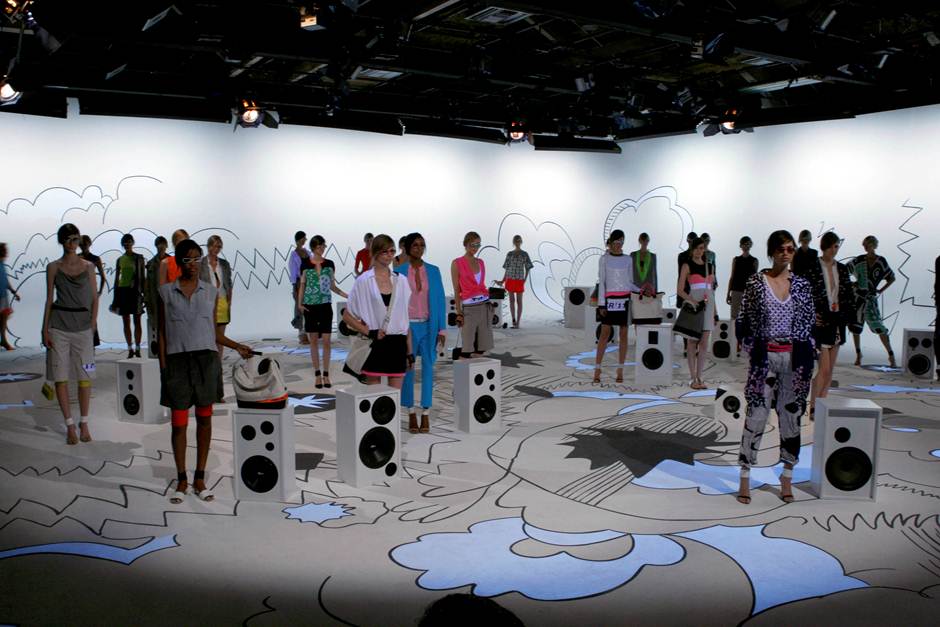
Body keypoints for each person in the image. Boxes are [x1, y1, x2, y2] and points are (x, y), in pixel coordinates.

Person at [158, 238, 253, 503]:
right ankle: (181, 479)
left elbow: (214, 332)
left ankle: (199, 477)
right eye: (187, 259)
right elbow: (162, 332)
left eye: (196, 259)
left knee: (204, 421)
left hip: (206, 361)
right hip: (177, 363)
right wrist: (164, 367)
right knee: (178, 424)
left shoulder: (210, 292)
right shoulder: (166, 292)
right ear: (179, 262)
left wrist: (236, 346)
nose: (192, 264)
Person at [736, 230, 815, 505]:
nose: (786, 253)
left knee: (791, 418)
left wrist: (809, 353)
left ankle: (787, 476)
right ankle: (745, 474)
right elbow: (744, 319)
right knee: (756, 416)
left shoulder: (802, 285)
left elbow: (808, 323)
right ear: (771, 252)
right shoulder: (756, 283)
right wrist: (752, 347)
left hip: (795, 360)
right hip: (764, 358)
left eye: (790, 249)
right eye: (781, 249)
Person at [41, 224, 99, 445]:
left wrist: (92, 326)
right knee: (60, 376)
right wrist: (44, 329)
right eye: (68, 239)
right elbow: (49, 299)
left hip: (83, 328)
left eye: (75, 238)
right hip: (59, 328)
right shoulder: (53, 267)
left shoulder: (89, 266)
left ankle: (84, 422)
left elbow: (94, 298)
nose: (72, 243)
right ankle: (70, 425)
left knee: (86, 375)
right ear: (61, 241)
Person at [343, 234, 412, 388]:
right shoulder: (363, 281)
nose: (389, 255)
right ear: (375, 253)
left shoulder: (402, 280)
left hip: (398, 344)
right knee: (375, 397)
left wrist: (410, 352)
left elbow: (405, 318)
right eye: (384, 251)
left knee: (395, 397)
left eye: (392, 251)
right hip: (375, 343)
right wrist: (368, 332)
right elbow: (347, 316)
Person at [396, 233, 447, 433]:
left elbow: (440, 301)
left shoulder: (433, 271)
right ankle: (410, 411)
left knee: (428, 367)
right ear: (407, 248)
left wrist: (442, 329)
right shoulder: (399, 272)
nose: (419, 248)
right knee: (407, 368)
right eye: (415, 245)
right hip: (407, 328)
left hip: (428, 327)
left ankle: (425, 412)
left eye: (422, 245)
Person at [806, 232, 854, 420]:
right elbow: (806, 293)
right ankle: (813, 406)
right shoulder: (813, 267)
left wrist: (847, 316)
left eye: (837, 246)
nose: (835, 250)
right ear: (825, 246)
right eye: (833, 246)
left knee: (830, 370)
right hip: (821, 322)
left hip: (837, 321)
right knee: (823, 369)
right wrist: (812, 315)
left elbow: (848, 293)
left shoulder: (841, 269)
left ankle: (822, 405)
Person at [297, 235, 347, 389]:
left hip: (325, 306)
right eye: (318, 246)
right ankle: (317, 374)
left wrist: (347, 295)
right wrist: (299, 304)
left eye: (323, 245)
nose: (321, 248)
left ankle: (326, 374)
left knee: (326, 341)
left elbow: (332, 286)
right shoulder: (305, 264)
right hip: (310, 306)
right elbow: (302, 285)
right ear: (313, 247)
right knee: (313, 341)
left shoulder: (329, 264)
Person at [593, 230, 637, 384]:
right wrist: (601, 304)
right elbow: (602, 282)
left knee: (624, 334)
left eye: (621, 242)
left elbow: (630, 282)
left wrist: (641, 290)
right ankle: (597, 368)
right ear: (610, 242)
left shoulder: (628, 259)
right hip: (609, 299)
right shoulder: (604, 259)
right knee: (604, 333)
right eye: (616, 242)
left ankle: (620, 369)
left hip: (624, 299)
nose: (619, 245)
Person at [847, 235, 896, 367]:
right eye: (864, 245)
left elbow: (891, 277)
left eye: (867, 244)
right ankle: (858, 355)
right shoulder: (859, 260)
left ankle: (891, 356)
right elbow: (844, 271)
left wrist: (881, 290)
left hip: (871, 299)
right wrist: (853, 284)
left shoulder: (881, 262)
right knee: (856, 326)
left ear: (873, 245)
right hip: (858, 298)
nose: (865, 247)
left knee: (879, 326)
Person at [676, 237, 715, 389]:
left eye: (702, 248)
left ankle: (700, 376)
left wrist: (715, 312)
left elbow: (711, 291)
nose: (700, 251)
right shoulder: (687, 265)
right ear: (692, 249)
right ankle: (693, 378)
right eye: (697, 248)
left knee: (704, 343)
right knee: (692, 342)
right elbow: (680, 290)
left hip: (708, 306)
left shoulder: (709, 266)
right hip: (694, 306)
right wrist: (692, 301)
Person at [200, 235, 234, 401]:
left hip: (221, 304)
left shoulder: (224, 264)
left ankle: (218, 391)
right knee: (209, 345)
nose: (216, 249)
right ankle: (207, 388)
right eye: (213, 246)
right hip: (207, 304)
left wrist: (229, 301)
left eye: (219, 246)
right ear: (208, 247)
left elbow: (229, 283)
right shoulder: (201, 264)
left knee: (220, 345)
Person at [450, 231, 494, 359]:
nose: (475, 248)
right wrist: (459, 312)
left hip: (485, 305)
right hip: (469, 308)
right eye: (472, 245)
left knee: (481, 349)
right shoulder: (457, 263)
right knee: (466, 349)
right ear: (465, 244)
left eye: (478, 245)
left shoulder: (481, 262)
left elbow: (481, 285)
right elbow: (456, 289)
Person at [112, 233, 145, 358]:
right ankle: (130, 348)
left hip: (136, 292)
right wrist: (115, 297)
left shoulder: (139, 258)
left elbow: (143, 277)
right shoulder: (120, 260)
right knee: (126, 322)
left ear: (133, 243)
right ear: (122, 244)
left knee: (137, 321)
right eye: (125, 242)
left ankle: (138, 348)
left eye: (129, 242)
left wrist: (144, 294)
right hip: (123, 292)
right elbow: (117, 279)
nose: (127, 244)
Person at [727, 236, 758, 356]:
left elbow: (755, 279)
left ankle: (744, 343)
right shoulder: (736, 260)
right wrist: (728, 293)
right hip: (736, 291)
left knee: (747, 319)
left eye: (748, 243)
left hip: (748, 293)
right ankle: (735, 344)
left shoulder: (754, 260)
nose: (746, 245)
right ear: (741, 245)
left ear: (751, 245)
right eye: (744, 243)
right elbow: (732, 276)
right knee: (734, 318)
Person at [495, 235, 533, 328]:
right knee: (511, 301)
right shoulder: (510, 254)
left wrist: (524, 279)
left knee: (519, 301)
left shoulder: (524, 254)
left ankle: (518, 322)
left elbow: (528, 267)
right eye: (516, 241)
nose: (517, 242)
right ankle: (513, 320)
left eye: (519, 240)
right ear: (513, 242)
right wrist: (502, 280)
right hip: (510, 280)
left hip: (519, 280)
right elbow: (507, 269)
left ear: (521, 242)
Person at [144, 236, 169, 356]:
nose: (161, 246)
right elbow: (147, 283)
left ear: (166, 246)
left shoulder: (172, 261)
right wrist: (146, 298)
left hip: (169, 299)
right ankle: (160, 353)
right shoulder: (150, 264)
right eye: (159, 244)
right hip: (155, 299)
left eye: (163, 244)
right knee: (157, 326)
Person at [0, 243, 22, 351]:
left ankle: (3, 340)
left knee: (3, 318)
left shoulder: (2, 265)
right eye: (5, 250)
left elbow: (5, 281)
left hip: (3, 296)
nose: (6, 253)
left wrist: (14, 292)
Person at [288, 230, 309, 343]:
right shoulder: (294, 254)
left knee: (309, 306)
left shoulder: (308, 252)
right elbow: (293, 271)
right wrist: (295, 286)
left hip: (309, 282)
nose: (305, 240)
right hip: (299, 282)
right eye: (303, 238)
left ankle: (309, 330)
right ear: (298, 239)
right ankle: (301, 332)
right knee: (299, 306)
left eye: (305, 238)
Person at [676, 231, 697, 309]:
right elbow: (680, 275)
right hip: (685, 289)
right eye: (690, 241)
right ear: (687, 241)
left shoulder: (701, 256)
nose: (691, 243)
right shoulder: (681, 256)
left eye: (693, 241)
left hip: (697, 288)